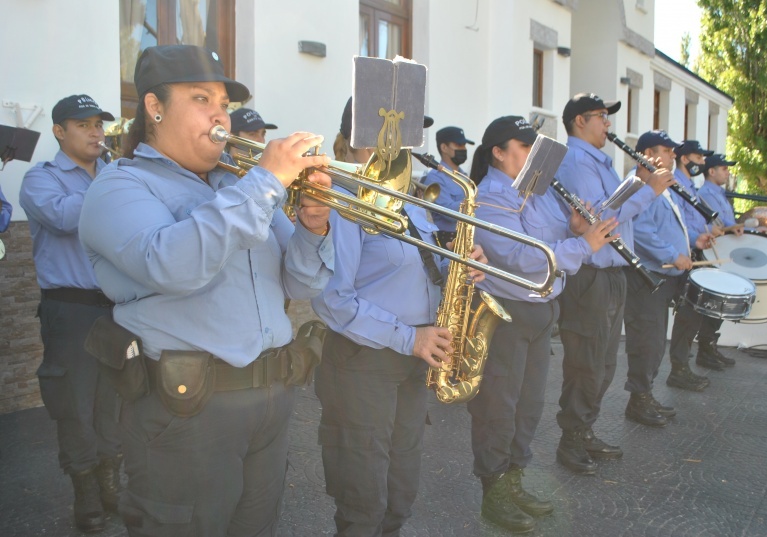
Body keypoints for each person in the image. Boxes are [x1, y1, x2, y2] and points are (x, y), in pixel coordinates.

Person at [78, 44, 334, 536]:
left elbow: (301, 282)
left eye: (224, 104)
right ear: (154, 107)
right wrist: (265, 183)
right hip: (187, 411)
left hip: (270, 398)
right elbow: (173, 265)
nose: (220, 116)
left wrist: (314, 227)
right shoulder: (119, 187)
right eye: (201, 99)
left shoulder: (234, 186)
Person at [311, 100, 486, 537]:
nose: (415, 146)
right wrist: (411, 338)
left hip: (411, 359)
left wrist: (459, 269)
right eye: (405, 135)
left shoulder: (410, 200)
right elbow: (332, 299)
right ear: (367, 139)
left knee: (399, 488)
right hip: (363, 362)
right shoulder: (340, 198)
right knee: (363, 496)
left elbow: (417, 268)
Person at [467, 115, 618, 532]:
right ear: (498, 152)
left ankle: (513, 484)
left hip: (540, 314)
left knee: (528, 408)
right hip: (508, 317)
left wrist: (574, 227)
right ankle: (493, 492)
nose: (531, 154)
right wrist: (583, 244)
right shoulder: (490, 198)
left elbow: (554, 237)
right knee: (498, 409)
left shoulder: (538, 191)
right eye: (522, 146)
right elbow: (526, 258)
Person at [554, 93, 674, 475]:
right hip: (590, 277)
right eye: (601, 116)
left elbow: (615, 205)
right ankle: (570, 439)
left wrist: (638, 182)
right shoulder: (575, 161)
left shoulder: (599, 162)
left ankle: (584, 429)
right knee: (587, 362)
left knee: (604, 363)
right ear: (578, 121)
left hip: (612, 273)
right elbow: (602, 218)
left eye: (607, 117)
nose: (608, 124)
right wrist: (649, 190)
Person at [18, 94, 122, 533]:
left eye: (99, 124)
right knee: (75, 405)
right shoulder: (39, 179)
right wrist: (117, 188)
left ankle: (111, 484)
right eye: (83, 125)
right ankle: (86, 496)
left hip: (115, 308)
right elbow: (64, 218)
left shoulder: (111, 175)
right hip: (70, 308)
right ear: (60, 132)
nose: (96, 132)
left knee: (115, 401)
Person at [622, 130, 714, 427]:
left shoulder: (661, 184)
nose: (673, 155)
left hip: (663, 273)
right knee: (646, 340)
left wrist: (692, 246)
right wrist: (673, 254)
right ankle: (638, 399)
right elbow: (641, 231)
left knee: (656, 339)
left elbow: (662, 225)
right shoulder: (639, 184)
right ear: (647, 153)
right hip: (646, 275)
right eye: (666, 149)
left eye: (674, 151)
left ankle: (645, 394)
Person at [668, 140, 728, 380]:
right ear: (685, 159)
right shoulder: (675, 185)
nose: (703, 163)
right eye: (699, 158)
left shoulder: (689, 186)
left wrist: (706, 233)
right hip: (683, 256)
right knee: (687, 314)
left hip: (694, 252)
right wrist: (697, 238)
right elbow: (678, 225)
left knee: (692, 315)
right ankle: (678, 369)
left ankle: (682, 366)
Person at [694, 153, 742, 368]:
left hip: (723, 252)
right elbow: (718, 226)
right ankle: (705, 350)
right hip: (714, 253)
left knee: (720, 304)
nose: (727, 172)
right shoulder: (706, 193)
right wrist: (732, 228)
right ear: (711, 171)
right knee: (715, 303)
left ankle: (710, 347)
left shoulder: (719, 193)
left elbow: (728, 224)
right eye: (723, 168)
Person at [421, 126, 474, 245]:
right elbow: (448, 213)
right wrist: (472, 201)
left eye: (464, 145)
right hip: (446, 240)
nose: (464, 149)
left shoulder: (464, 175)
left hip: (465, 237)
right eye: (459, 145)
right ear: (444, 147)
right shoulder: (435, 177)